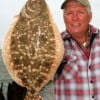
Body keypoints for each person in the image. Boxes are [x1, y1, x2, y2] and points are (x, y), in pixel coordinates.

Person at [54, 0, 100, 100]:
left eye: (80, 12)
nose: (75, 18)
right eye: (69, 13)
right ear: (64, 18)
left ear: (90, 16)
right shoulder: (54, 45)